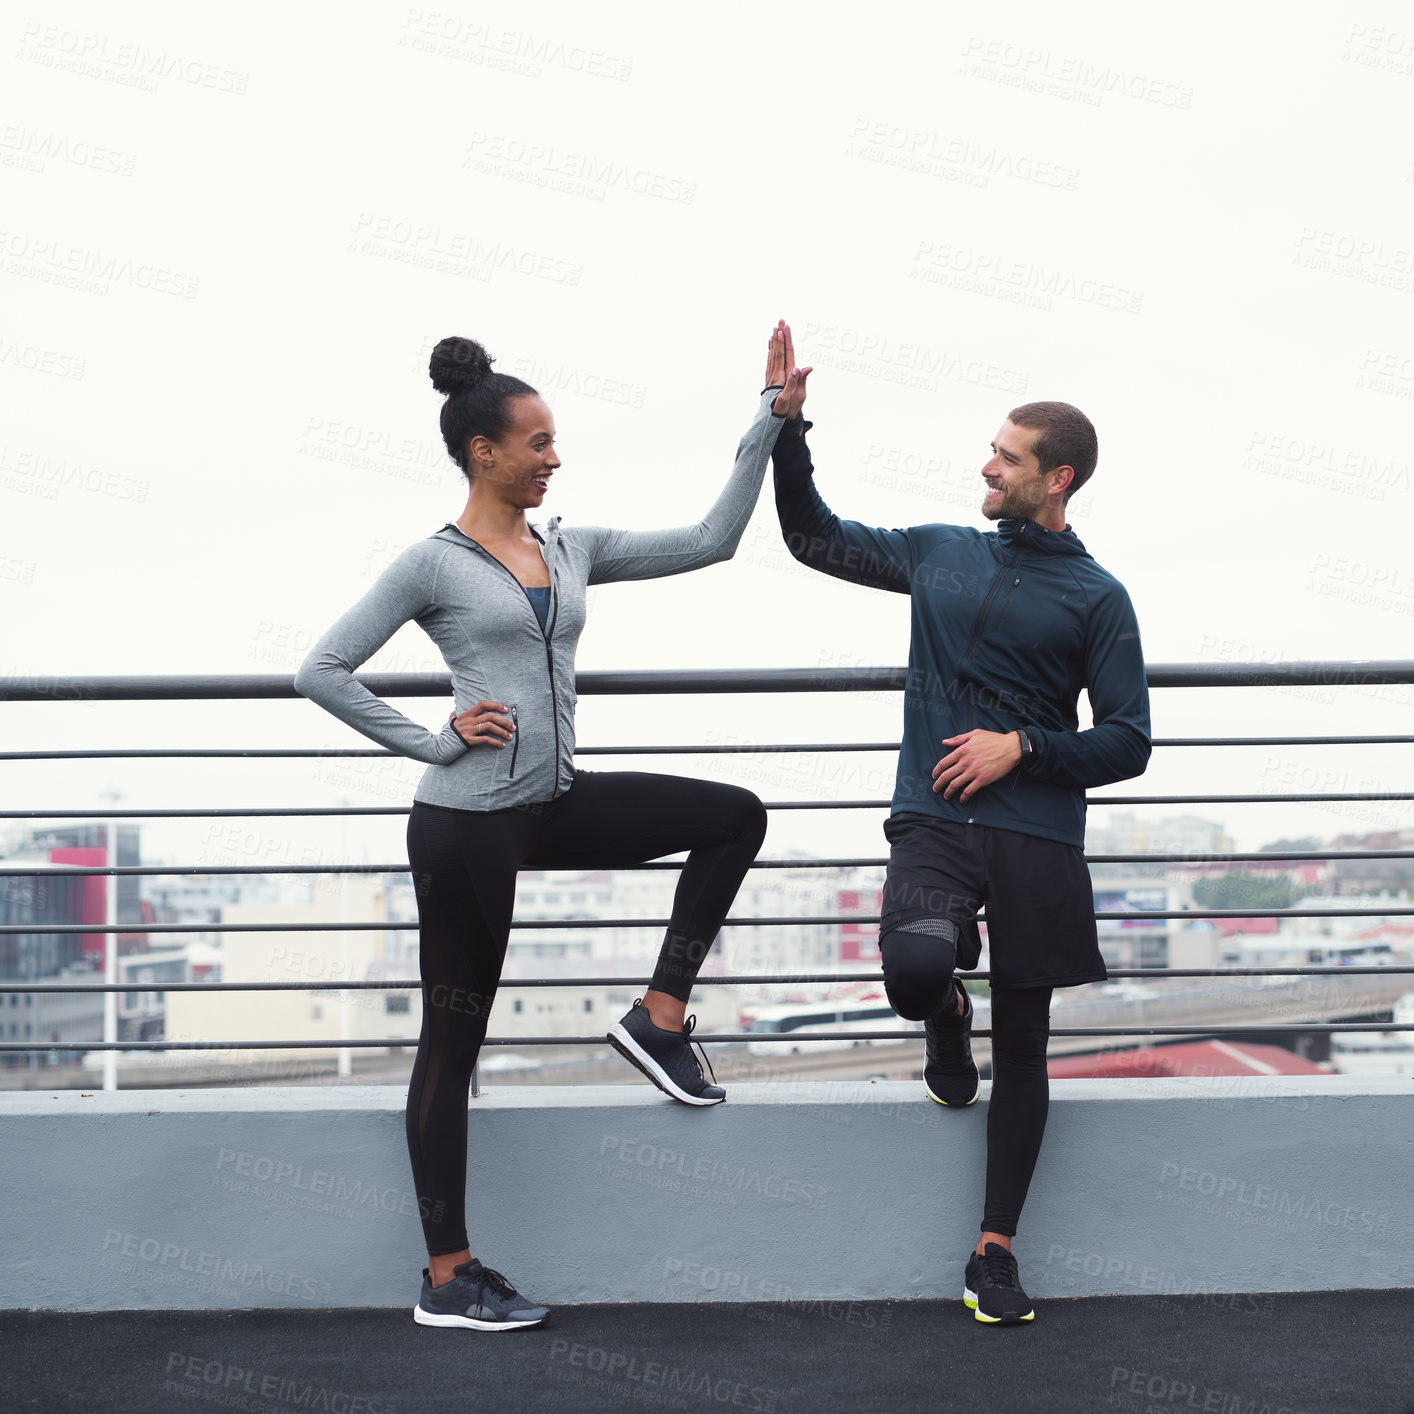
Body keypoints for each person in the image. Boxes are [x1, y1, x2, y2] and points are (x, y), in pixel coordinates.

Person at [293, 324, 811, 1331]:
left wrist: (767, 424)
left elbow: (711, 540)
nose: (554, 457)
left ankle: (659, 1014)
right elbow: (319, 669)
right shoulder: (429, 565)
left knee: (732, 818)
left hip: (550, 805)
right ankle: (448, 1275)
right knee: (455, 1042)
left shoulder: (568, 547)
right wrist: (434, 740)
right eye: (538, 442)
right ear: (485, 452)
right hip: (466, 825)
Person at [771, 370, 1150, 1325]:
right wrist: (786, 428)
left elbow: (1129, 740)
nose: (985, 466)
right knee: (910, 967)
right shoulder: (943, 553)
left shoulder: (1100, 598)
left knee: (1024, 1041)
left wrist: (1022, 745)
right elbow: (813, 537)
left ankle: (995, 1250)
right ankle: (944, 1017)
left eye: (1006, 456)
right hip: (934, 819)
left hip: (1036, 833)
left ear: (1056, 479)